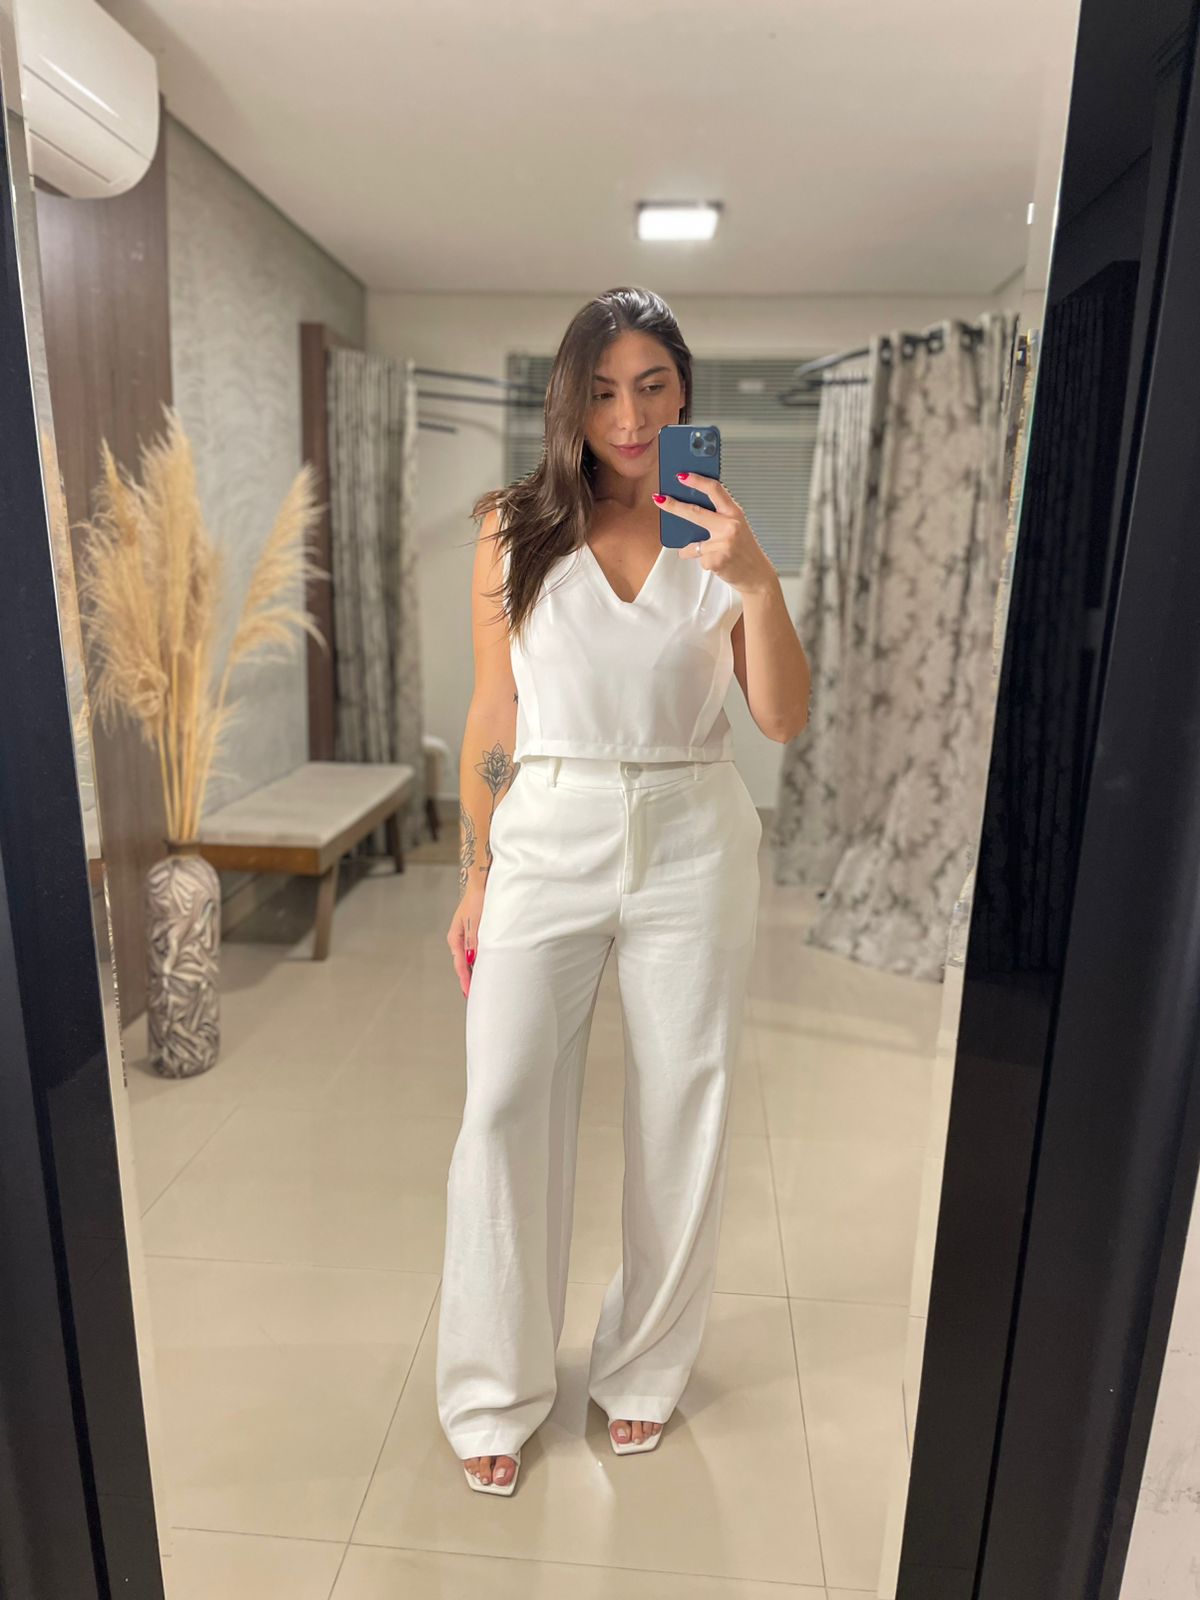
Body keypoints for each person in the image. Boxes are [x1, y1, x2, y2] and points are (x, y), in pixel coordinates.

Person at [437, 286, 810, 1496]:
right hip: (547, 828)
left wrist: (756, 582)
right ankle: (493, 1384)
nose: (630, 415)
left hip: (694, 829)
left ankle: (643, 1367)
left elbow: (779, 717)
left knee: (681, 1106)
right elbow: (492, 713)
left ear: (685, 392)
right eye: (603, 390)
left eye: (652, 387)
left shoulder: (721, 532)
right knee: (503, 1102)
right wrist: (475, 874)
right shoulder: (512, 527)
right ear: (572, 399)